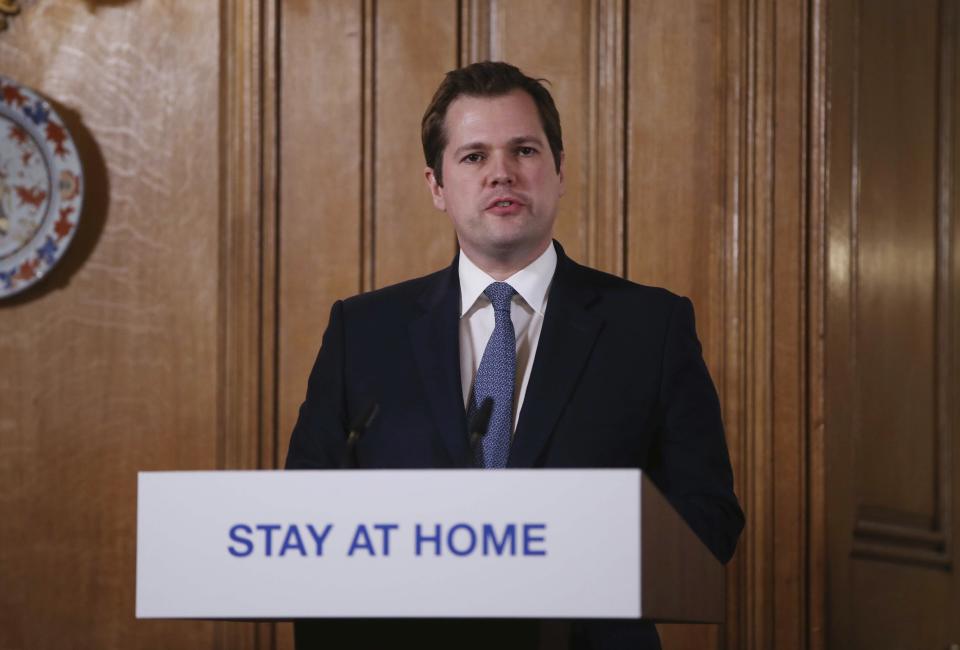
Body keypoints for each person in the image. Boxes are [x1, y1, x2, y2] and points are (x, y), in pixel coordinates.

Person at [286, 61, 744, 650]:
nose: (501, 174)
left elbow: (709, 518)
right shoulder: (362, 331)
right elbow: (303, 517)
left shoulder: (650, 327)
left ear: (559, 171)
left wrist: (571, 553)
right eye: (474, 156)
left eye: (524, 151)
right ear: (436, 186)